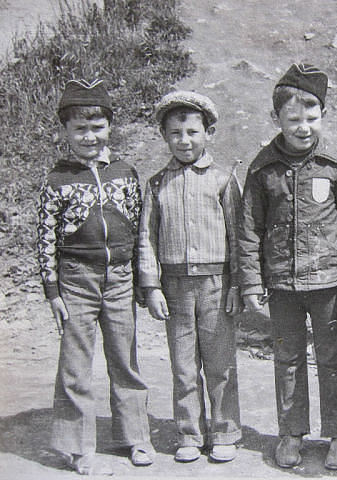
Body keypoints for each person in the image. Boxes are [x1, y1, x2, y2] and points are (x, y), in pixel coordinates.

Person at [239, 63, 337, 470]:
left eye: (312, 118)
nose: (303, 127)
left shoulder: (336, 165)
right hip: (281, 285)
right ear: (276, 118)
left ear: (323, 115)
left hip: (329, 284)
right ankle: (291, 432)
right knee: (288, 359)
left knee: (333, 360)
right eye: (293, 119)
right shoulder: (262, 168)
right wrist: (251, 282)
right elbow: (249, 230)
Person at [36, 79, 154, 475]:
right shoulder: (56, 179)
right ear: (65, 131)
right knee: (75, 365)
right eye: (80, 129)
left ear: (110, 127)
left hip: (119, 278)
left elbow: (139, 229)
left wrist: (141, 279)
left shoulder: (125, 173)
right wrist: (52, 290)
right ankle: (77, 447)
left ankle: (135, 437)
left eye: (97, 127)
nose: (90, 136)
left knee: (125, 358)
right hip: (76, 281)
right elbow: (45, 237)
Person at [138, 90, 242, 464]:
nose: (184, 141)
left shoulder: (223, 180)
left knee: (219, 364)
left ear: (208, 133)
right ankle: (189, 434)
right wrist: (151, 286)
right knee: (183, 366)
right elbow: (146, 238)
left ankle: (224, 432)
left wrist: (238, 284)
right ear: (164, 136)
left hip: (217, 285)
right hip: (175, 288)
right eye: (175, 133)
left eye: (192, 132)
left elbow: (239, 236)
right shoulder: (156, 184)